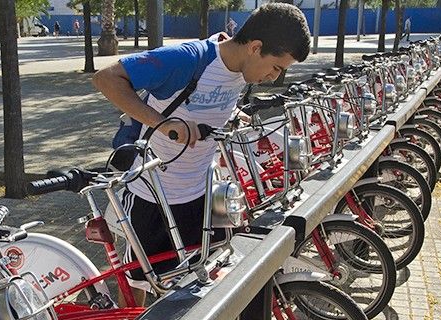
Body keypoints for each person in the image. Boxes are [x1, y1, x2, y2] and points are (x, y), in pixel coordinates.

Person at [92, 3, 310, 306]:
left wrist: (232, 114)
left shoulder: (243, 74)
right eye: (276, 67)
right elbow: (106, 78)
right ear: (255, 47)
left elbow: (208, 99)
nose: (274, 77)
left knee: (206, 277)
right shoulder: (189, 58)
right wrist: (164, 123)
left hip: (203, 192)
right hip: (153, 195)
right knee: (140, 282)